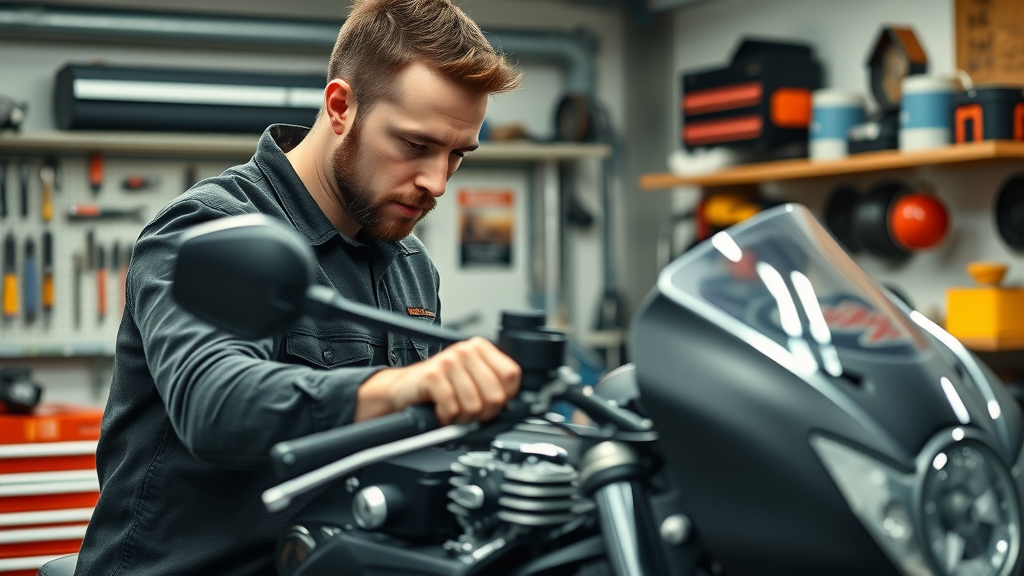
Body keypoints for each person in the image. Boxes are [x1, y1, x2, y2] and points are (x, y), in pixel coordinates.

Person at [73, 1, 523, 574]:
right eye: (415, 145)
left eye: (457, 155)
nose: (436, 182)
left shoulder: (411, 264)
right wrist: (404, 386)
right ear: (340, 107)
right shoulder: (204, 227)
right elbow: (214, 404)